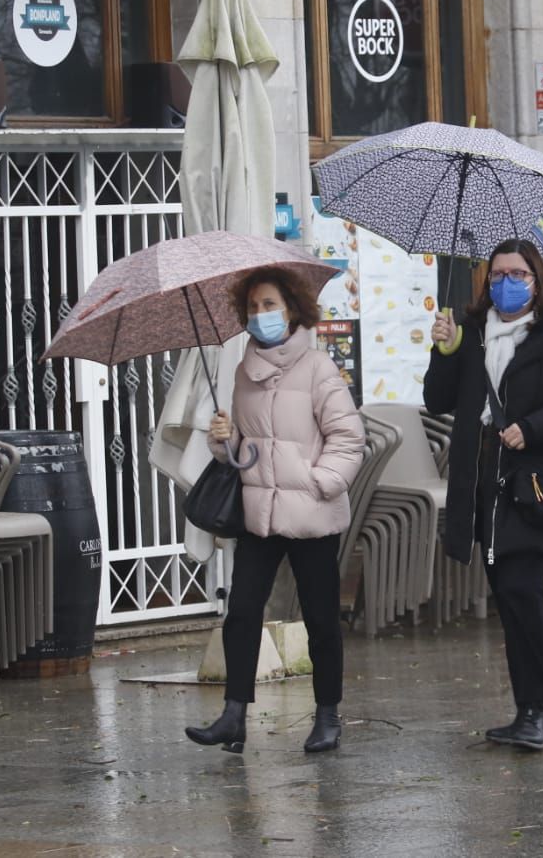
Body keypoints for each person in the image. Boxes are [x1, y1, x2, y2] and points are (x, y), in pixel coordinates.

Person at [424, 239, 543, 751]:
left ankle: (532, 709)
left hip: (535, 483)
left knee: (523, 591)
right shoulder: (474, 336)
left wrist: (534, 427)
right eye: (498, 274)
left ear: (538, 279)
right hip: (483, 482)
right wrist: (443, 349)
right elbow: (437, 400)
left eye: (518, 274)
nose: (506, 283)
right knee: (510, 597)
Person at [184, 267, 364, 754]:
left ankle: (327, 715)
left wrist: (318, 482)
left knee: (322, 618)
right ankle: (233, 714)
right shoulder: (244, 370)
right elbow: (247, 447)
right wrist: (223, 443)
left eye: (270, 305)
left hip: (311, 515)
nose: (261, 315)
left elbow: (349, 438)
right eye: (254, 307)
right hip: (259, 514)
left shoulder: (318, 368)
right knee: (241, 612)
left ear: (292, 310)